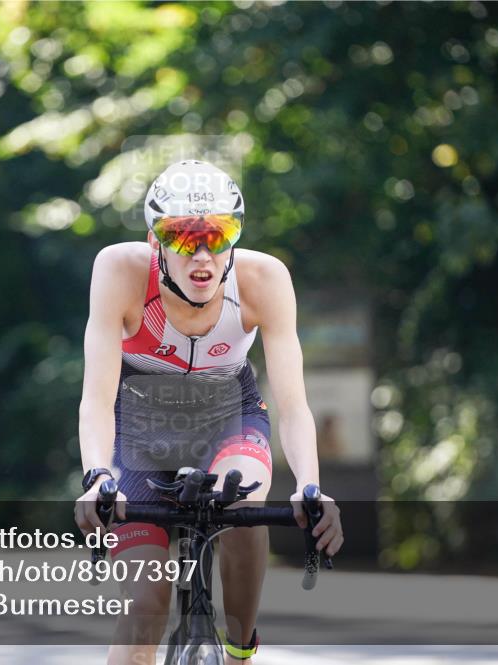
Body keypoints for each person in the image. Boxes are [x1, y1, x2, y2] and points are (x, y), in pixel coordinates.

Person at [74, 160, 343, 665]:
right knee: (143, 611)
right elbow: (96, 397)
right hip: (139, 432)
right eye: (181, 238)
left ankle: (240, 649)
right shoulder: (120, 271)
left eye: (218, 236)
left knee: (241, 501)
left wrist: (310, 486)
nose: (202, 254)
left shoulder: (264, 279)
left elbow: (293, 404)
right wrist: (97, 476)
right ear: (155, 243)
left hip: (229, 416)